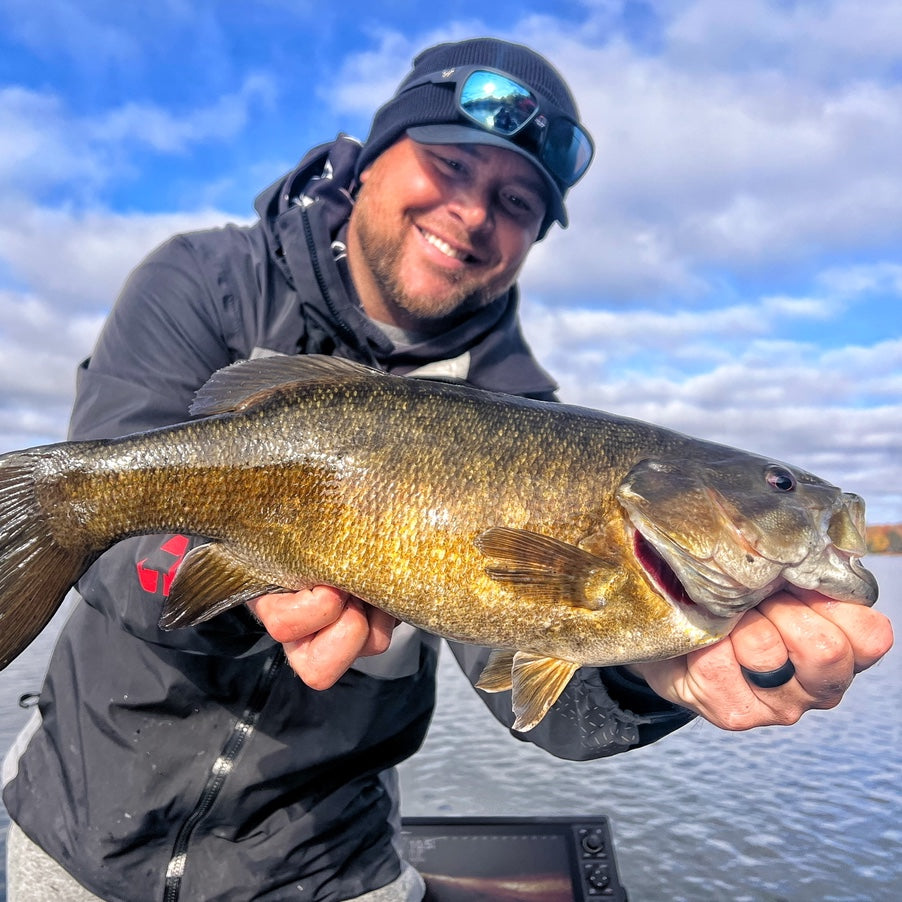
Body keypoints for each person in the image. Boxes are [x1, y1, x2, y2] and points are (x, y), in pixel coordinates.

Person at [2, 37, 892, 902]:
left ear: (534, 240)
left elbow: (525, 674)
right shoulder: (201, 279)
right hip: (78, 824)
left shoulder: (528, 410)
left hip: (324, 864)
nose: (472, 214)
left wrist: (652, 670)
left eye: (516, 201)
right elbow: (110, 527)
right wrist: (239, 593)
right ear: (371, 161)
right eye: (452, 165)